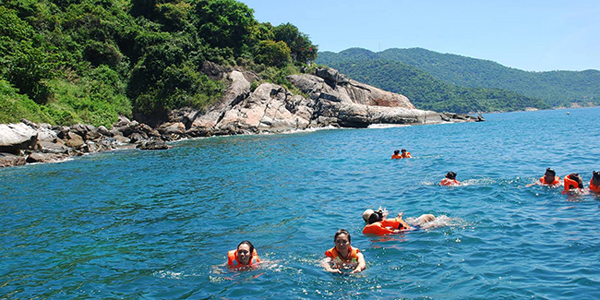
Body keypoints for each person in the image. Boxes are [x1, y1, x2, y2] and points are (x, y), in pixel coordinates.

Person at [362, 207, 436, 235]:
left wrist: (399, 218)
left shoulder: (374, 227)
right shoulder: (382, 226)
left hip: (408, 228)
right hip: (413, 230)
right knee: (429, 217)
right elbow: (396, 229)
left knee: (426, 217)